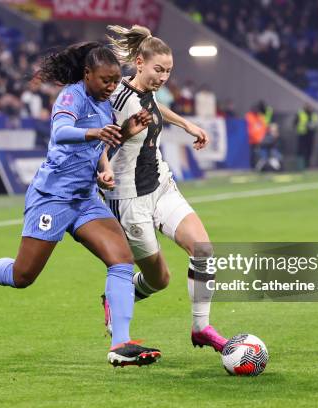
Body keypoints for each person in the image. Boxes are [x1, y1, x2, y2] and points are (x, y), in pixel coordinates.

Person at [0, 42, 159, 367]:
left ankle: (121, 343)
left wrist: (118, 143)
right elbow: (60, 133)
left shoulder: (103, 104)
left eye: (115, 80)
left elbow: (101, 145)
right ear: (87, 74)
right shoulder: (72, 96)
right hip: (52, 197)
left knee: (122, 258)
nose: (111, 86)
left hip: (84, 198)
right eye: (105, 80)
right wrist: (94, 132)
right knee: (23, 275)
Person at [101, 24, 228, 352]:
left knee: (203, 249)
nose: (163, 77)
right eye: (158, 70)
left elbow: (154, 106)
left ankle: (202, 328)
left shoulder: (148, 90)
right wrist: (102, 170)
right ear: (140, 64)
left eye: (168, 72)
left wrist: (186, 124)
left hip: (160, 184)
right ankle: (118, 296)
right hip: (129, 198)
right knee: (160, 280)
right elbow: (101, 142)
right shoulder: (115, 97)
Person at [294, 104, 318, 169]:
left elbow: (316, 124)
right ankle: (300, 166)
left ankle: (307, 165)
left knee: (309, 150)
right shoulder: (300, 113)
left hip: (311, 135)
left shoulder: (314, 114)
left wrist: (313, 126)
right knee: (301, 150)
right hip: (302, 134)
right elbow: (295, 123)